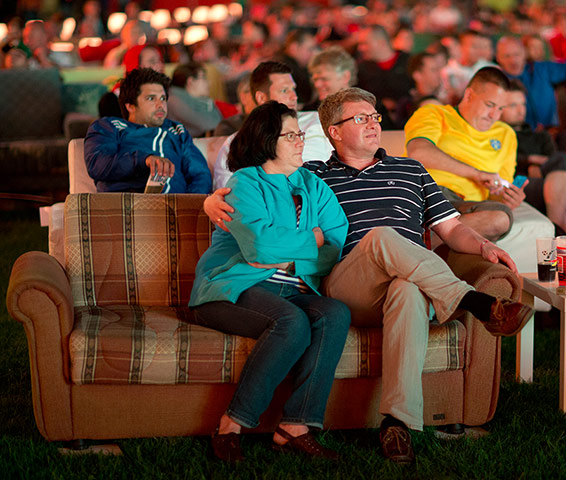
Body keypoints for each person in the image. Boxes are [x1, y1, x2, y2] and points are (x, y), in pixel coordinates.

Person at [205, 87, 534, 464]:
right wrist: (212, 199)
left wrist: (481, 246)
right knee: (382, 237)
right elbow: (259, 183)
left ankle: (398, 424)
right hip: (348, 288)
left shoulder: (411, 170)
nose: (373, 124)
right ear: (334, 131)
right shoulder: (311, 175)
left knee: (408, 289)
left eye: (375, 117)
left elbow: (451, 228)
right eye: (360, 118)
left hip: (409, 285)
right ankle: (473, 302)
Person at [190, 101, 351, 463]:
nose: (300, 141)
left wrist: (290, 250)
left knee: (334, 313)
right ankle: (231, 425)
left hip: (291, 289)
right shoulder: (245, 182)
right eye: (291, 134)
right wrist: (312, 240)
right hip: (229, 290)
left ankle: (295, 426)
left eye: (300, 134)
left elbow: (336, 243)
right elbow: (258, 249)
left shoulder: (313, 184)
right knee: (291, 322)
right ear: (267, 139)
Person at [405, 67, 525, 241]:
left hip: (466, 207)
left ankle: (429, 236)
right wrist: (476, 174)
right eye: (489, 105)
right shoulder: (435, 113)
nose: (494, 115)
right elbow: (418, 152)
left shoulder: (506, 134)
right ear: (469, 95)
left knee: (501, 217)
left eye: (501, 108)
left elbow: (496, 193)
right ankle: (441, 238)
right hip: (429, 193)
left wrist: (507, 197)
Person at [84, 67, 212, 193]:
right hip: (126, 208)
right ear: (130, 106)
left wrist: (190, 206)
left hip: (175, 208)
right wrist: (143, 160)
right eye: (151, 98)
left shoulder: (177, 131)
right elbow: (97, 164)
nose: (160, 105)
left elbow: (200, 175)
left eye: (163, 98)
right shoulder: (110, 126)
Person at [212, 61, 333, 189]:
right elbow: (227, 194)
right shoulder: (238, 143)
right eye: (284, 90)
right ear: (261, 98)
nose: (294, 97)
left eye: (293, 89)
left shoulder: (318, 120)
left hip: (323, 195)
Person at [501, 80, 566, 233]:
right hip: (515, 183)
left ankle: (554, 230)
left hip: (543, 180)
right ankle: (559, 233)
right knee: (564, 191)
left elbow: (555, 163)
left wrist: (531, 165)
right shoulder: (498, 136)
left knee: (563, 161)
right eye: (513, 105)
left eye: (522, 104)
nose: (520, 110)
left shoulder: (540, 136)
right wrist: (530, 160)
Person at [494, 35, 566, 130]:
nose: (513, 60)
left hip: (550, 132)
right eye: (507, 56)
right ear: (498, 58)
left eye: (516, 54)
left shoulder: (541, 69)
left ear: (524, 53)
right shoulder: (496, 81)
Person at [306, 46, 393, 130]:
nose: (317, 85)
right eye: (315, 79)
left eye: (324, 79)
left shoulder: (372, 108)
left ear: (345, 76)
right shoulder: (308, 112)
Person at [356, 24, 413, 128]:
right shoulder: (362, 70)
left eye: (365, 44)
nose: (360, 48)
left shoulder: (409, 63)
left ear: (381, 42)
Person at [167, 62, 223, 137]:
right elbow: (212, 124)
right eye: (203, 77)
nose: (208, 82)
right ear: (191, 81)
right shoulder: (175, 101)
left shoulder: (195, 100)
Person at [441, 30, 495, 104]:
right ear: (460, 47)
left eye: (479, 46)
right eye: (474, 46)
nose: (478, 50)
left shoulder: (491, 69)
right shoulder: (447, 70)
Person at [273, 28, 317, 108]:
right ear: (294, 47)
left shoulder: (295, 66)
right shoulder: (285, 69)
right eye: (309, 49)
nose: (313, 54)